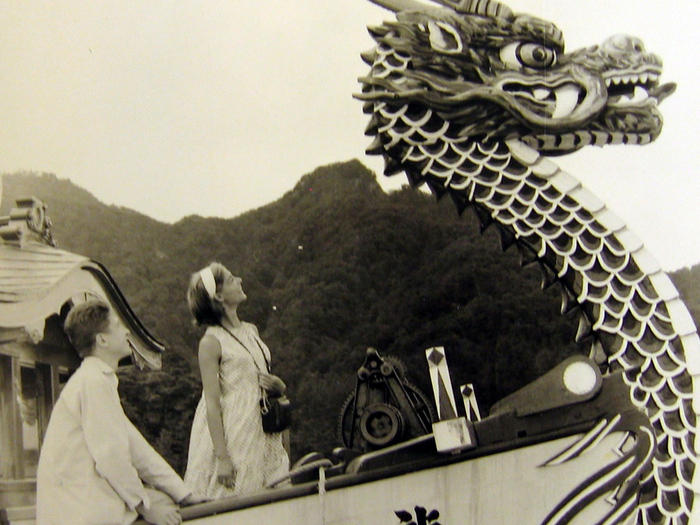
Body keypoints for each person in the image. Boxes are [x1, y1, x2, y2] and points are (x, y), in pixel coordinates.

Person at [36, 299, 201, 525]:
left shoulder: (96, 379)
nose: (126, 332)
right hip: (78, 510)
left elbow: (136, 449)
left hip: (85, 502)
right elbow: (110, 456)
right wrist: (144, 506)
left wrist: (185, 494)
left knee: (166, 500)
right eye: (117, 326)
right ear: (102, 339)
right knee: (162, 506)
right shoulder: (93, 383)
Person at [184, 262, 289, 499]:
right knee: (237, 493)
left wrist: (279, 386)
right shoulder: (210, 342)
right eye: (232, 279)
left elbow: (259, 374)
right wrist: (222, 458)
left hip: (261, 425)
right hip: (234, 430)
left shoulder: (250, 330)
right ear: (219, 296)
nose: (240, 280)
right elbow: (211, 402)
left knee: (272, 493)